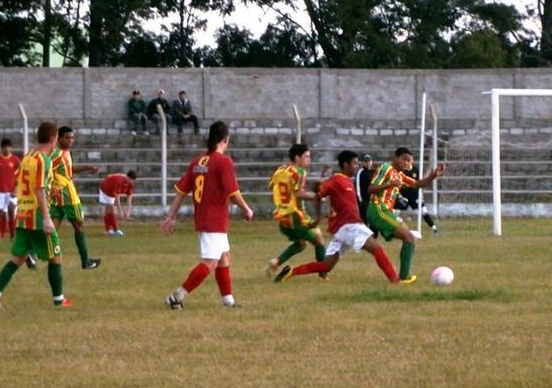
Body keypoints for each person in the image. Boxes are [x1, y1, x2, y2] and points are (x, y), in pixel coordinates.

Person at [161, 120, 254, 309]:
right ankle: (177, 296)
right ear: (225, 140)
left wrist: (171, 217)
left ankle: (228, 301)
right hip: (214, 219)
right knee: (210, 262)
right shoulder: (223, 161)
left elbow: (181, 191)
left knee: (224, 257)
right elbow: (233, 192)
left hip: (204, 218)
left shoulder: (197, 162)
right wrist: (247, 209)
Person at [275, 151, 400, 284]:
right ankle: (395, 281)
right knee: (375, 248)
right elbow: (319, 193)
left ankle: (292, 271)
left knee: (327, 265)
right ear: (345, 165)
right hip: (348, 226)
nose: (357, 166)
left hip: (343, 229)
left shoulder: (347, 181)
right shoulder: (336, 179)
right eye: (354, 163)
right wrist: (318, 217)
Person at [0, 121, 72, 308]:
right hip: (37, 215)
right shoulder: (43, 160)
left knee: (18, 258)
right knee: (56, 256)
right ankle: (59, 300)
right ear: (52, 139)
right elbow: (39, 188)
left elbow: (25, 183)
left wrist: (51, 189)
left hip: (22, 214)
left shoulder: (28, 156)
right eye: (56, 137)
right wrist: (47, 217)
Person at [366, 147, 446, 284]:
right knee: (409, 237)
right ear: (395, 157)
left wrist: (433, 176)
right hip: (378, 208)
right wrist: (389, 184)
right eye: (404, 159)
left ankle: (402, 277)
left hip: (386, 211)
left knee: (409, 238)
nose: (406, 163)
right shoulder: (386, 168)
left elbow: (416, 184)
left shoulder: (400, 175)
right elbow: (370, 189)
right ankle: (404, 277)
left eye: (409, 161)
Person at [265, 143, 327, 278]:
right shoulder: (300, 172)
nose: (309, 160)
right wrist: (315, 196)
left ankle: (276, 262)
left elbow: (271, 185)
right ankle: (323, 273)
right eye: (306, 157)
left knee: (301, 244)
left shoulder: (281, 169)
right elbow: (298, 194)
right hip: (296, 217)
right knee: (319, 240)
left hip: (282, 217)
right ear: (297, 157)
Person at [50, 125, 102, 269]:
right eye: (67, 138)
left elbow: (68, 170)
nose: (70, 140)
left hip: (58, 196)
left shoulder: (65, 153)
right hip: (67, 195)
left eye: (72, 138)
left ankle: (32, 253)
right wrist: (52, 184)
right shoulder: (57, 154)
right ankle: (85, 261)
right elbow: (46, 169)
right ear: (59, 138)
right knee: (78, 225)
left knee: (52, 228)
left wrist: (87, 168)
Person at [0, 138, 21, 242]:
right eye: (4, 147)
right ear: (1, 148)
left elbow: (19, 176)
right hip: (0, 191)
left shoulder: (15, 160)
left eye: (8, 147)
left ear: (11, 148)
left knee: (11, 211)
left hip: (12, 191)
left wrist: (16, 189)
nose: (6, 149)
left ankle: (13, 237)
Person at [393, 163, 439, 235]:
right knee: (394, 212)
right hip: (404, 195)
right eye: (406, 161)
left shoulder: (416, 170)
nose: (407, 163)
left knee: (424, 211)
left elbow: (419, 183)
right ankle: (389, 229)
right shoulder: (402, 172)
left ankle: (434, 229)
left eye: (409, 161)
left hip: (414, 195)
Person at [99, 170, 136, 235]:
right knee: (110, 209)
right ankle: (116, 230)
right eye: (131, 180)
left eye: (133, 180)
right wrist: (120, 212)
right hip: (106, 188)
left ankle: (107, 231)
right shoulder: (119, 181)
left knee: (108, 211)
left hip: (111, 190)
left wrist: (128, 212)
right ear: (127, 177)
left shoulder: (131, 184)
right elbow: (117, 198)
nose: (132, 182)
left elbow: (129, 197)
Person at [355, 153, 376, 226]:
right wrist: (361, 200)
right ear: (362, 163)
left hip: (373, 200)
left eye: (369, 161)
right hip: (364, 200)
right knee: (364, 220)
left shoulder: (374, 171)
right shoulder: (360, 173)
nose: (367, 163)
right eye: (365, 161)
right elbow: (357, 187)